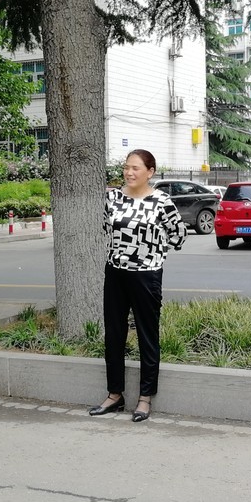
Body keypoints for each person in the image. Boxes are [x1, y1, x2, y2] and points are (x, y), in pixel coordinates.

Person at [89, 149, 186, 423]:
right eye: (126, 167)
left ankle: (145, 398)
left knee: (147, 336)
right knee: (114, 335)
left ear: (150, 172)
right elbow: (107, 230)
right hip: (115, 273)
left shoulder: (161, 201)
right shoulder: (112, 197)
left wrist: (152, 251)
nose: (129, 173)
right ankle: (114, 395)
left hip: (147, 276)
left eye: (135, 168)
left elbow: (178, 237)